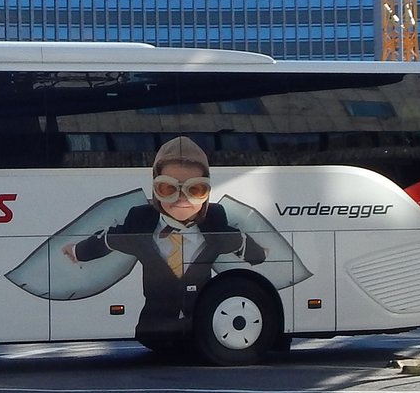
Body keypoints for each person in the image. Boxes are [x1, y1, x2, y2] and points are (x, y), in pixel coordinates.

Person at [61, 136, 266, 342]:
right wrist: (78, 251)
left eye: (195, 189)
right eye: (168, 189)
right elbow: (108, 240)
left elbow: (241, 242)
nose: (182, 198)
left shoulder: (215, 223)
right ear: (155, 189)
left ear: (207, 193)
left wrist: (259, 254)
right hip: (153, 326)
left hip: (202, 327)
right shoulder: (140, 222)